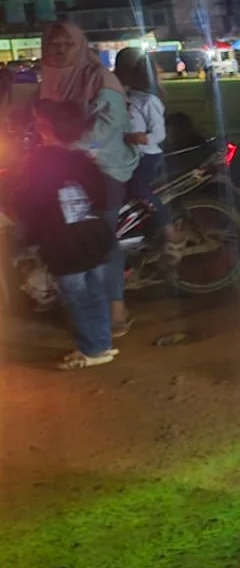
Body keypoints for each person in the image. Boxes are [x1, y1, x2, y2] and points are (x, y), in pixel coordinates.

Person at [38, 20, 137, 337]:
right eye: (54, 44)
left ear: (80, 45)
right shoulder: (49, 77)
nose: (60, 49)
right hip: (65, 166)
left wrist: (66, 143)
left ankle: (116, 304)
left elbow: (108, 126)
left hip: (102, 167)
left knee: (99, 235)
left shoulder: (99, 77)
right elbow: (40, 115)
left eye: (67, 43)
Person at [12, 100, 119, 368]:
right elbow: (104, 198)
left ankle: (92, 351)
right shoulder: (82, 159)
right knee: (95, 294)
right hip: (94, 239)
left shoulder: (40, 162)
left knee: (78, 299)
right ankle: (102, 344)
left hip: (64, 245)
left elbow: (30, 205)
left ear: (46, 127)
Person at [113, 49, 177, 259]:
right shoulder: (125, 97)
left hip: (147, 156)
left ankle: (167, 229)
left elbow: (159, 132)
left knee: (140, 190)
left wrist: (143, 138)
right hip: (128, 156)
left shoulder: (148, 101)